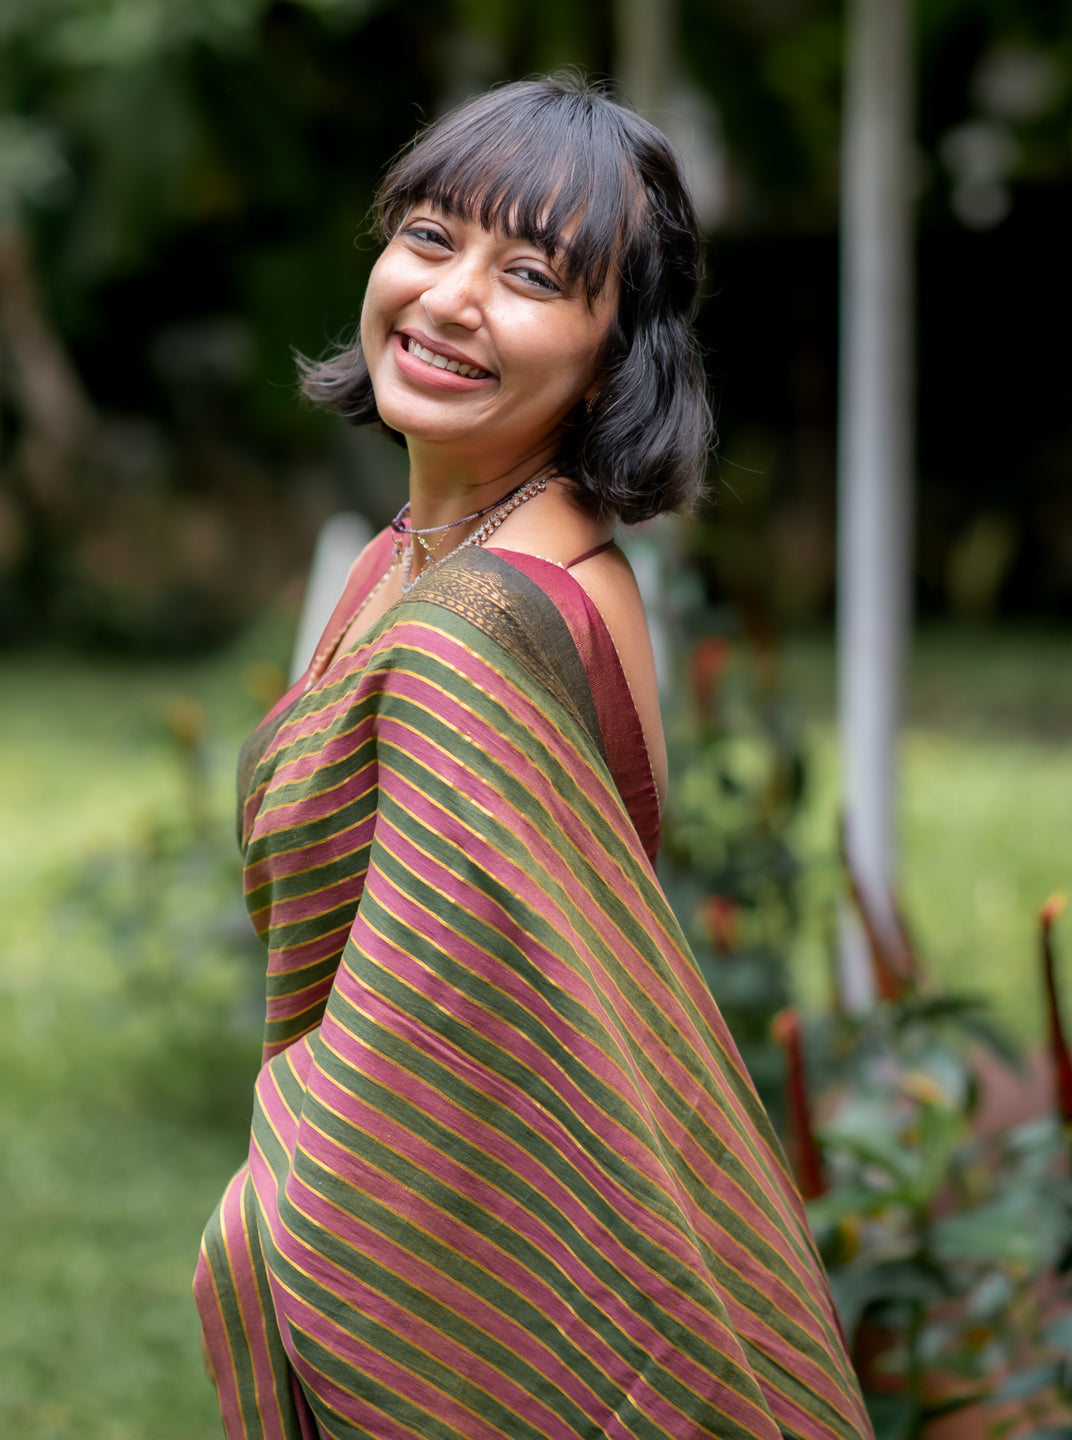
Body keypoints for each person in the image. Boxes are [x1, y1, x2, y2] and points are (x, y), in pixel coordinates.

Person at [194, 76, 871, 1440]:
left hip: (470, 1292)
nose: (450, 300)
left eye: (532, 274)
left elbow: (419, 1056)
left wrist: (257, 1226)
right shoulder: (414, 561)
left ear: (618, 352)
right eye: (431, 238)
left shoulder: (487, 635)